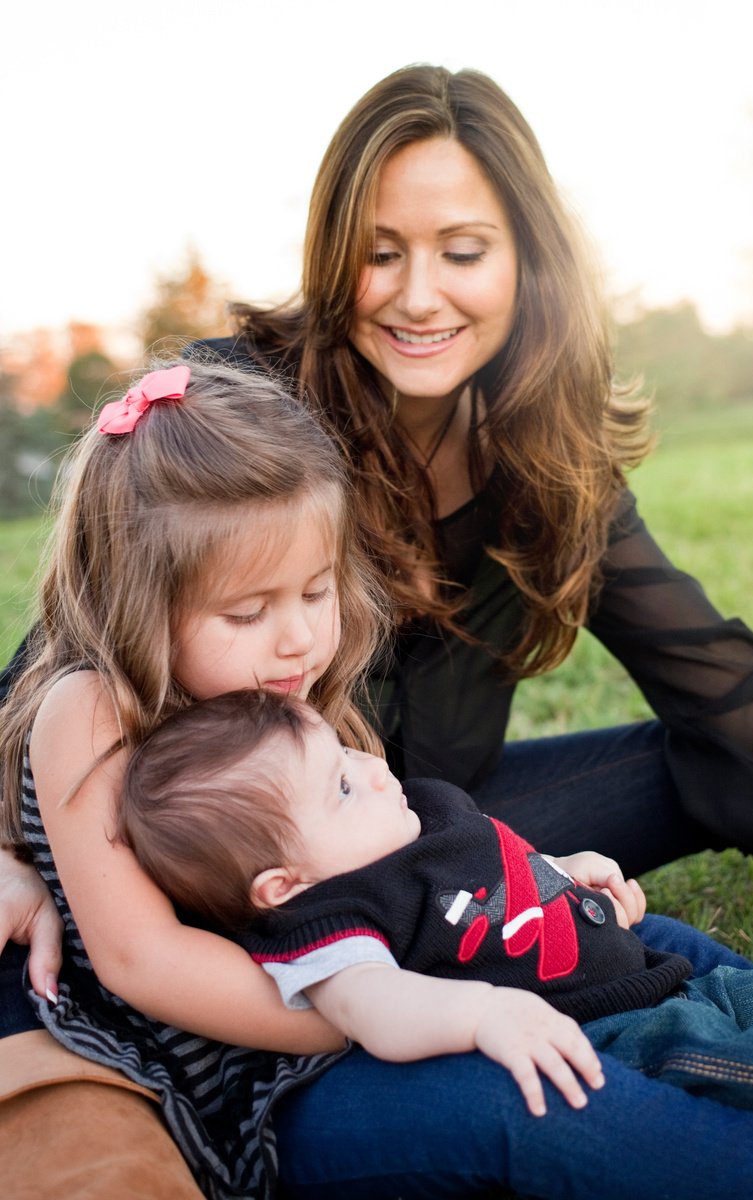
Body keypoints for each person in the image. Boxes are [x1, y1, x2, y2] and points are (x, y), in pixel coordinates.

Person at [3, 62, 753, 1198]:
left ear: (526, 261)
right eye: (380, 252)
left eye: (462, 251)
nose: (417, 294)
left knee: (695, 919)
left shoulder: (516, 461)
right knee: (558, 1103)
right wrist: (401, 1003)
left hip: (415, 841)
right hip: (305, 945)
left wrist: (521, 896)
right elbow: (67, 689)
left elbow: (708, 670)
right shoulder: (229, 435)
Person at [121, 688, 753, 1139]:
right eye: (342, 788)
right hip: (616, 1036)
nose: (372, 767)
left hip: (663, 982)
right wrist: (484, 1015)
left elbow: (505, 872)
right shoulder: (331, 922)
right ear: (284, 885)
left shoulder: (417, 817)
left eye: (347, 753)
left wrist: (569, 871)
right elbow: (379, 1010)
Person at [0, 359, 388, 1198]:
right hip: (240, 1077)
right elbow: (144, 961)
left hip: (361, 1005)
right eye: (247, 613)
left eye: (317, 592)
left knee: (664, 974)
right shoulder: (94, 713)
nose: (298, 640)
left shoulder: (281, 698)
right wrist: (370, 1014)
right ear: (139, 602)